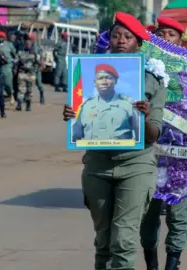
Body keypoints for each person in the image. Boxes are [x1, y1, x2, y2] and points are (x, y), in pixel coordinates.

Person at [62, 12, 167, 270]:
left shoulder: (152, 80)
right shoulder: (88, 76)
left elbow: (155, 134)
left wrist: (143, 118)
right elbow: (81, 128)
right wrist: (72, 115)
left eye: (128, 37)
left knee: (124, 240)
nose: (121, 40)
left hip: (136, 165)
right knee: (104, 241)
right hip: (97, 165)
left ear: (138, 44)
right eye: (116, 35)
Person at [140, 16, 187, 270]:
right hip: (149, 147)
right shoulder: (144, 66)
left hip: (179, 149)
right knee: (149, 210)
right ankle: (152, 265)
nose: (166, 39)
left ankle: (172, 263)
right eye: (162, 34)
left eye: (171, 34)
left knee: (177, 211)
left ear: (180, 40)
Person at [71, 64, 141, 142]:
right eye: (100, 78)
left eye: (108, 78)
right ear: (95, 82)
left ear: (116, 81)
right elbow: (76, 136)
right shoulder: (86, 106)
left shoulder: (128, 105)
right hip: (93, 153)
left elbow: (140, 136)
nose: (104, 82)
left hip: (122, 153)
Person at [15, 33, 39, 112]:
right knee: (21, 90)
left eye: (29, 43)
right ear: (25, 44)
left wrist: (34, 71)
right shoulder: (20, 52)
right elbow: (16, 62)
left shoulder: (35, 53)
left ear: (31, 44)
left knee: (30, 91)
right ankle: (19, 105)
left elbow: (38, 63)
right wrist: (15, 70)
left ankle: (28, 106)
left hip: (31, 74)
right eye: (26, 43)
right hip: (22, 74)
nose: (28, 44)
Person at [0, 31, 16, 105]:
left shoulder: (9, 44)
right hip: (0, 66)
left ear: (4, 37)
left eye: (1, 37)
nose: (0, 38)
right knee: (0, 84)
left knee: (8, 83)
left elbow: (14, 53)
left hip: (8, 65)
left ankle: (11, 95)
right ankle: (1, 98)